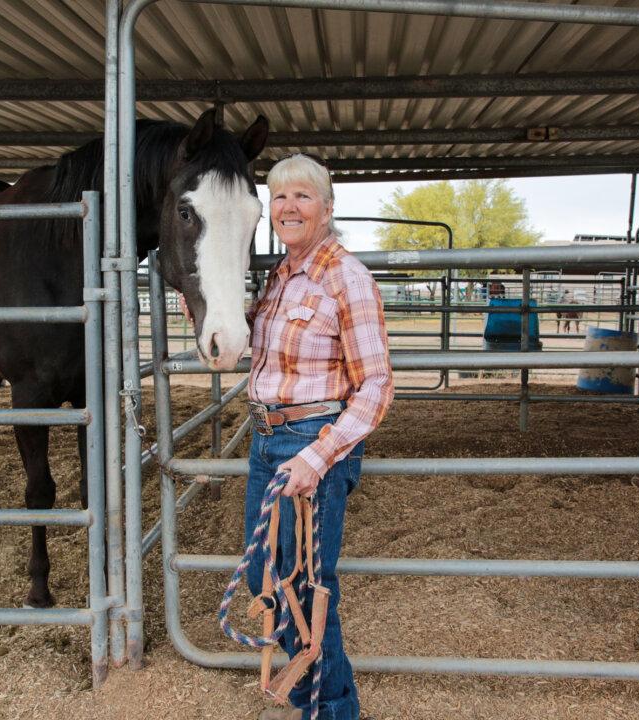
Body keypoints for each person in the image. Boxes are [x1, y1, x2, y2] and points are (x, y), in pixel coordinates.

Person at [244, 153, 394, 720]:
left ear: (327, 209)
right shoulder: (282, 277)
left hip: (310, 440)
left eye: (303, 196)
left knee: (306, 589)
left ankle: (334, 710)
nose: (289, 207)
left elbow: (376, 387)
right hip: (267, 440)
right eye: (280, 197)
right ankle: (311, 699)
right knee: (269, 575)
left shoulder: (345, 277)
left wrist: (318, 456)